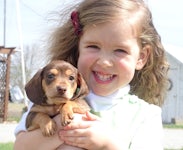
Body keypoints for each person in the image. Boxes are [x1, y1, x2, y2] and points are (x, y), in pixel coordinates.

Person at [14, 0, 169, 149]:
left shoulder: (146, 115)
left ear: (141, 57)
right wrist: (67, 125)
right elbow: (20, 147)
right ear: (78, 48)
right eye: (93, 46)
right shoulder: (47, 98)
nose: (104, 62)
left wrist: (107, 144)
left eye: (120, 50)